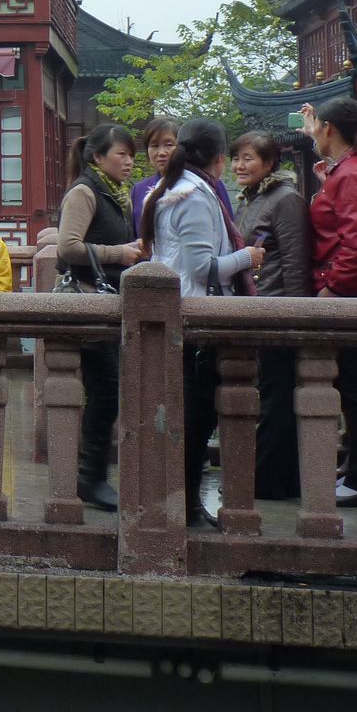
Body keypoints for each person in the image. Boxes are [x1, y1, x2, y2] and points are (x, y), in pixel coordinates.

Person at [143, 118, 263, 529]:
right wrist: (248, 258)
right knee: (194, 422)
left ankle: (183, 504)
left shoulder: (176, 189)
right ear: (218, 159)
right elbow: (200, 267)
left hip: (184, 314)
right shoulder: (194, 196)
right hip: (194, 319)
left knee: (190, 420)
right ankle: (187, 507)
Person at [301, 95, 357, 508]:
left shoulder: (353, 176)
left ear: (329, 129)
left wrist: (330, 287)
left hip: (352, 296)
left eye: (317, 125)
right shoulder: (352, 169)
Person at [53, 124, 144, 510]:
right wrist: (117, 254)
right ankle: (89, 476)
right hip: (90, 303)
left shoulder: (111, 193)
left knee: (107, 391)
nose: (128, 162)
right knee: (105, 389)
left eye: (131, 155)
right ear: (97, 157)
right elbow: (67, 248)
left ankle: (91, 475)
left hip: (107, 306)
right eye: (121, 154)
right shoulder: (85, 191)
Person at [230, 131, 312, 500]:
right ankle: (267, 476)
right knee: (264, 397)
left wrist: (293, 317)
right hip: (251, 308)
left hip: (277, 308)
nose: (239, 166)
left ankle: (274, 482)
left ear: (269, 163)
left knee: (277, 400)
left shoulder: (286, 199)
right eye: (236, 158)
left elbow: (295, 263)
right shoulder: (249, 199)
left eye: (248, 158)